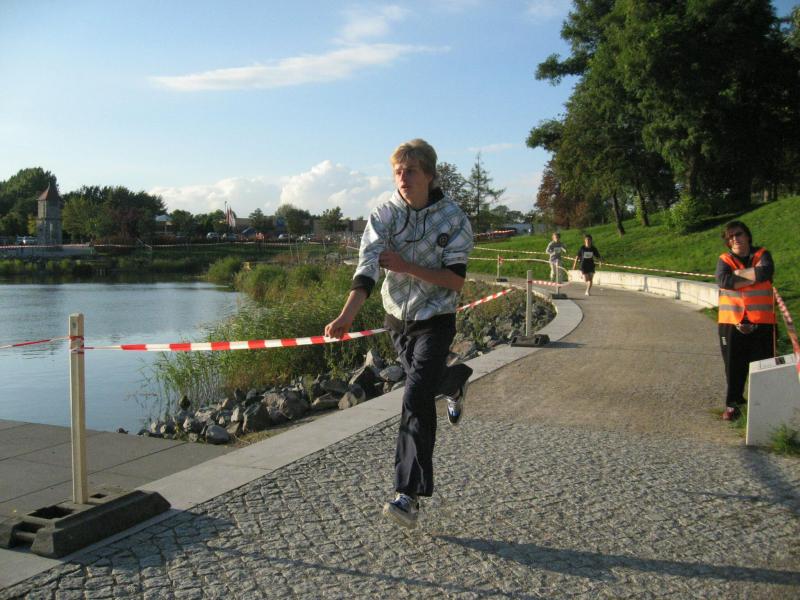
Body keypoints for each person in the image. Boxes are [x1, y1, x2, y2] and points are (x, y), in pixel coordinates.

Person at [324, 139, 474, 529]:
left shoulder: (453, 219)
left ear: (429, 175)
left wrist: (407, 266)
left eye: (410, 171)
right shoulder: (384, 215)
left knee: (415, 395)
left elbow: (455, 281)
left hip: (437, 318)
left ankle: (407, 494)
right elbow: (367, 269)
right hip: (398, 321)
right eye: (397, 172)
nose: (402, 178)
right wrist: (346, 317)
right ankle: (453, 381)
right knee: (425, 385)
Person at [715, 221, 775, 421]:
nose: (735, 239)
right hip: (731, 322)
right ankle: (733, 406)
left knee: (764, 366)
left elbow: (766, 272)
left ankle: (764, 408)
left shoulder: (762, 254)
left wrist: (737, 277)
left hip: (763, 321)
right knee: (734, 368)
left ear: (747, 235)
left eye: (738, 234)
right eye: (730, 237)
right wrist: (754, 276)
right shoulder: (724, 259)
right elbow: (723, 281)